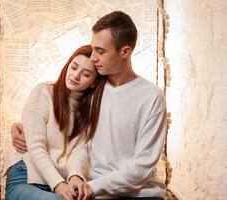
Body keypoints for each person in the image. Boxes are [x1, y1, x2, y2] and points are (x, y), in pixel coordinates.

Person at [11, 11, 167, 200]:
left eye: (100, 51)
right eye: (93, 49)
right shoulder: (93, 91)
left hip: (135, 193)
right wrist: (19, 127)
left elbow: (142, 165)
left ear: (125, 52)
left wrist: (90, 186)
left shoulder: (151, 96)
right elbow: (76, 137)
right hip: (88, 188)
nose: (93, 57)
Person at [4, 45, 106, 200]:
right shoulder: (43, 93)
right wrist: (58, 184)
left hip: (61, 181)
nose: (75, 76)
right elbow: (36, 147)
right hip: (26, 178)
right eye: (73, 67)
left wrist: (75, 176)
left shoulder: (90, 111)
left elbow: (79, 150)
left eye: (85, 74)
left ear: (94, 83)